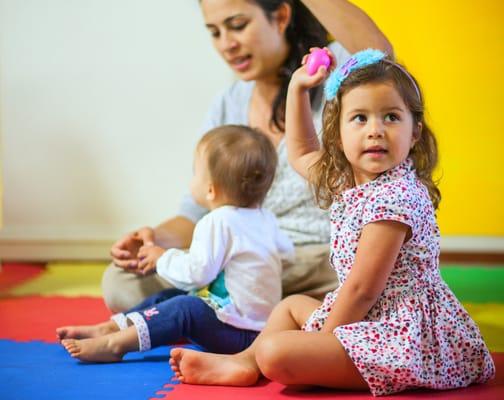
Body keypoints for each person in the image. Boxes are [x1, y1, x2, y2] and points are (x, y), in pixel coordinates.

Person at [167, 49, 496, 395]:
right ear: (337, 134)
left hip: (408, 340)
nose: (375, 131)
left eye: (391, 117)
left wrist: (320, 347)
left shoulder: (395, 198)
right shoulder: (349, 180)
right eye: (359, 118)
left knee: (275, 351)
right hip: (372, 320)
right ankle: (244, 363)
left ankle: (265, 359)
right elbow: (301, 151)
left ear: (414, 132)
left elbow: (361, 290)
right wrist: (297, 89)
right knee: (289, 307)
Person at [101, 0, 393, 312]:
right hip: (241, 264)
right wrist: (156, 240)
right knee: (123, 283)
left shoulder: (337, 80)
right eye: (214, 32)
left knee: (371, 280)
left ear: (280, 16)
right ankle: (269, 313)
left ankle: (238, 313)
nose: (227, 44)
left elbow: (378, 54)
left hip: (322, 263)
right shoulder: (228, 105)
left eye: (238, 25)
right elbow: (196, 211)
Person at [57, 125, 294, 362]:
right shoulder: (266, 219)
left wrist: (162, 258)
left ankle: (114, 344)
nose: (192, 179)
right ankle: (110, 327)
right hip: (261, 328)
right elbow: (287, 254)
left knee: (185, 306)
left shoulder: (217, 221)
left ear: (211, 190)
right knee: (169, 297)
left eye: (195, 173)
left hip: (237, 332)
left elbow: (196, 273)